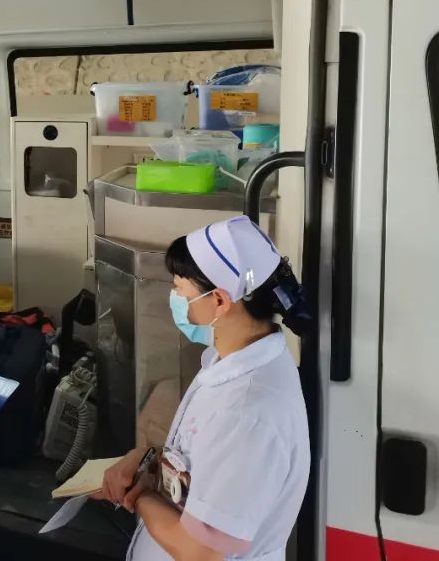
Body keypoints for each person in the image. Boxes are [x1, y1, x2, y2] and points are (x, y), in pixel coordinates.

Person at [99, 216, 310, 561]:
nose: (176, 299)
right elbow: (203, 459)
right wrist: (148, 460)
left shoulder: (247, 411)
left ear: (220, 301)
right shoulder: (230, 361)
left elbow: (202, 552)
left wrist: (140, 495)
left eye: (181, 290)